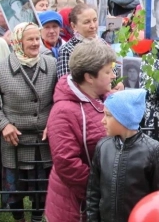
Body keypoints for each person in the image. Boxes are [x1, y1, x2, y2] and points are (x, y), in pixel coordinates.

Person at [45, 41, 117, 222]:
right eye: (107, 72)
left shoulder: (107, 98)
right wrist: (98, 191)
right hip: (76, 208)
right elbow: (67, 163)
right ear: (89, 77)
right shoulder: (63, 111)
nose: (113, 76)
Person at [0, 22, 57, 222]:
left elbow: (60, 98)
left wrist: (54, 122)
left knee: (41, 187)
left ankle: (35, 219)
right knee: (15, 188)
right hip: (14, 140)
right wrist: (3, 124)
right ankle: (19, 220)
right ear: (18, 42)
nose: (35, 44)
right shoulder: (2, 67)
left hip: (43, 139)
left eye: (37, 39)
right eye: (30, 39)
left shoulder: (51, 64)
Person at [86, 89, 159, 221]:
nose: (103, 121)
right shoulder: (103, 147)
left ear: (123, 118)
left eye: (108, 115)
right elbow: (93, 193)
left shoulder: (153, 150)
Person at [56, 4, 118, 80]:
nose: (93, 26)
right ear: (73, 26)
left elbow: (114, 70)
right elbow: (65, 84)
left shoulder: (103, 43)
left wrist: (118, 84)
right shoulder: (67, 50)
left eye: (95, 20)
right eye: (86, 22)